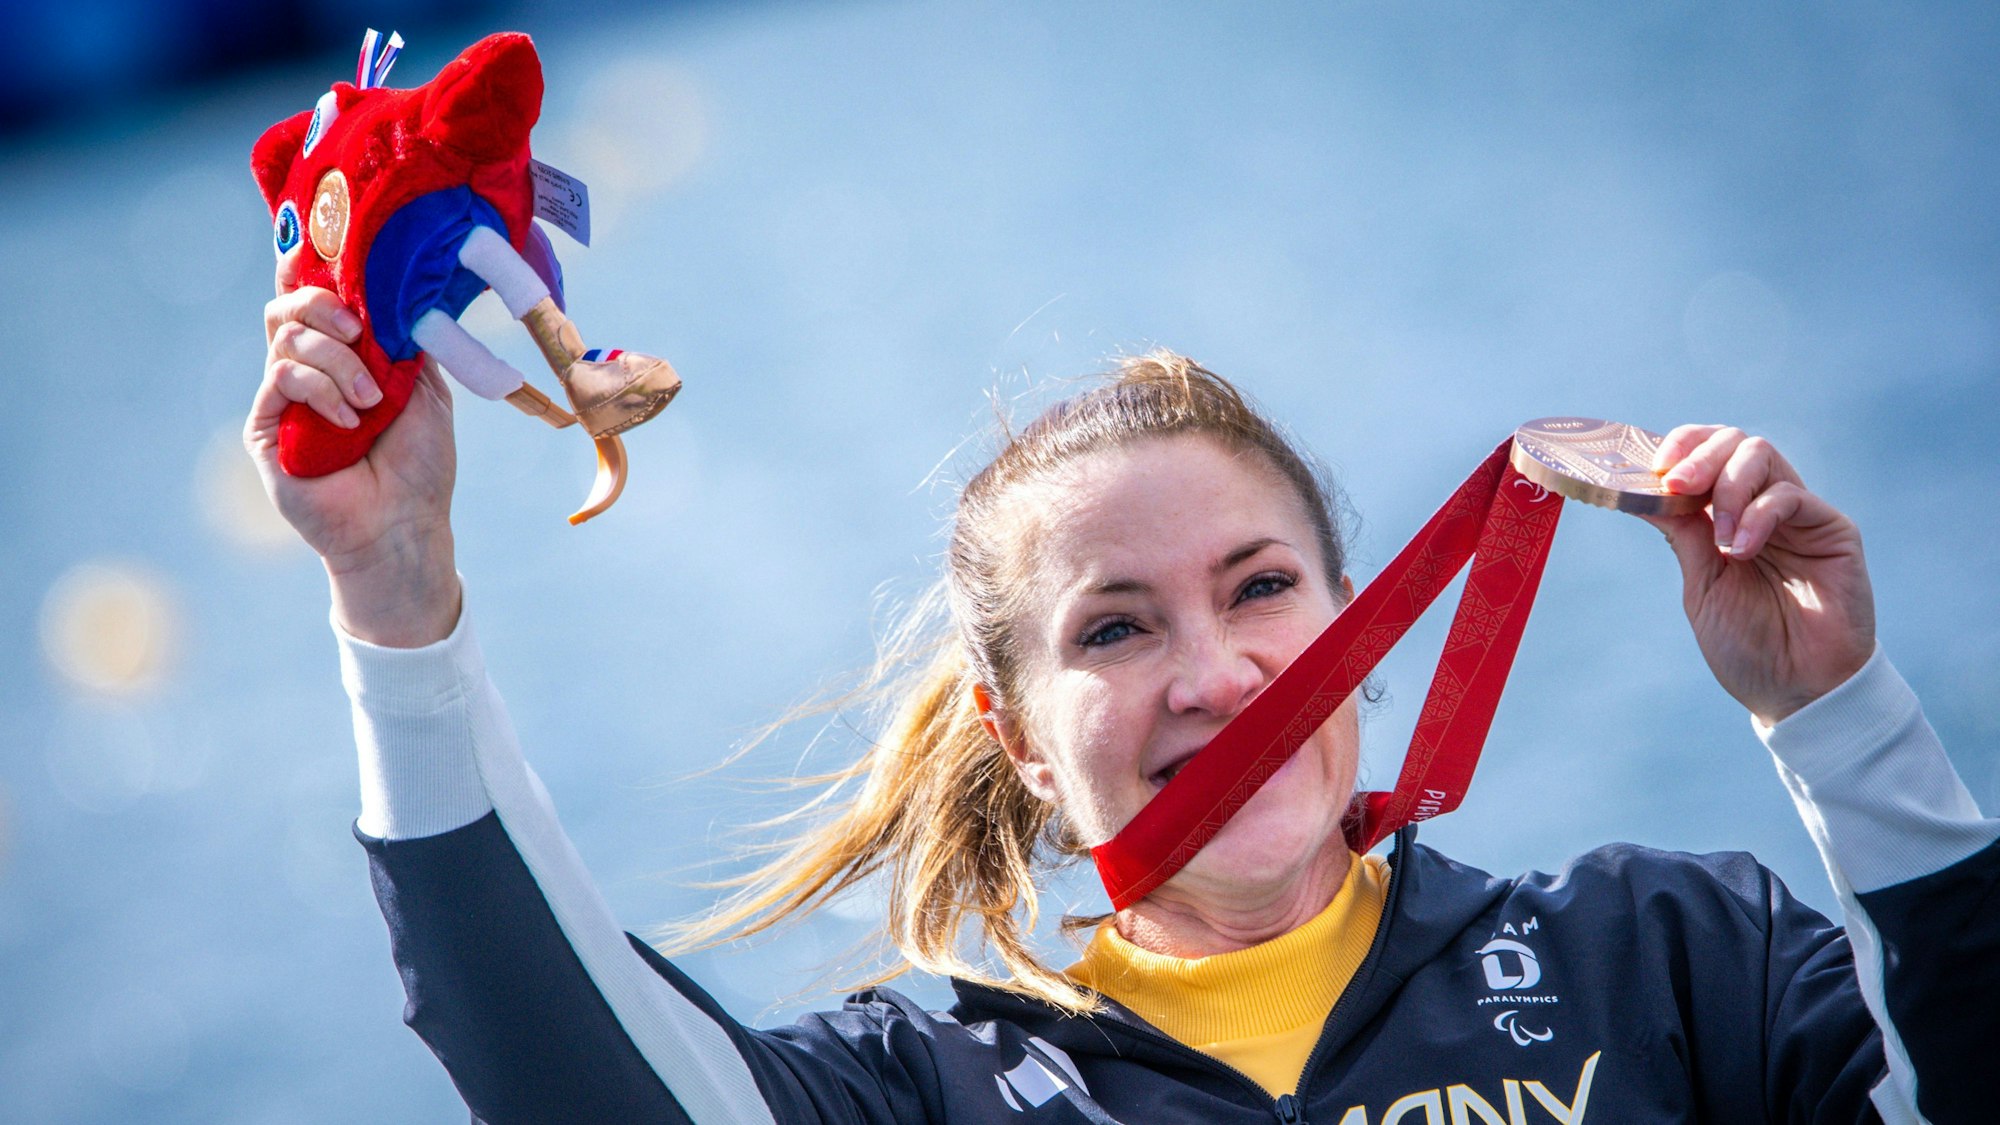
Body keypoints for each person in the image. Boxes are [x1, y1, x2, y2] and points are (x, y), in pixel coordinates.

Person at [252, 283, 1998, 1125]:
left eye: (1261, 591)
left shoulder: (1676, 954)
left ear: (1360, 638)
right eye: (1113, 628)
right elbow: (562, 1069)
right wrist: (394, 604)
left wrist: (1833, 716)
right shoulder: (929, 1092)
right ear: (1018, 734)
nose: (1217, 673)